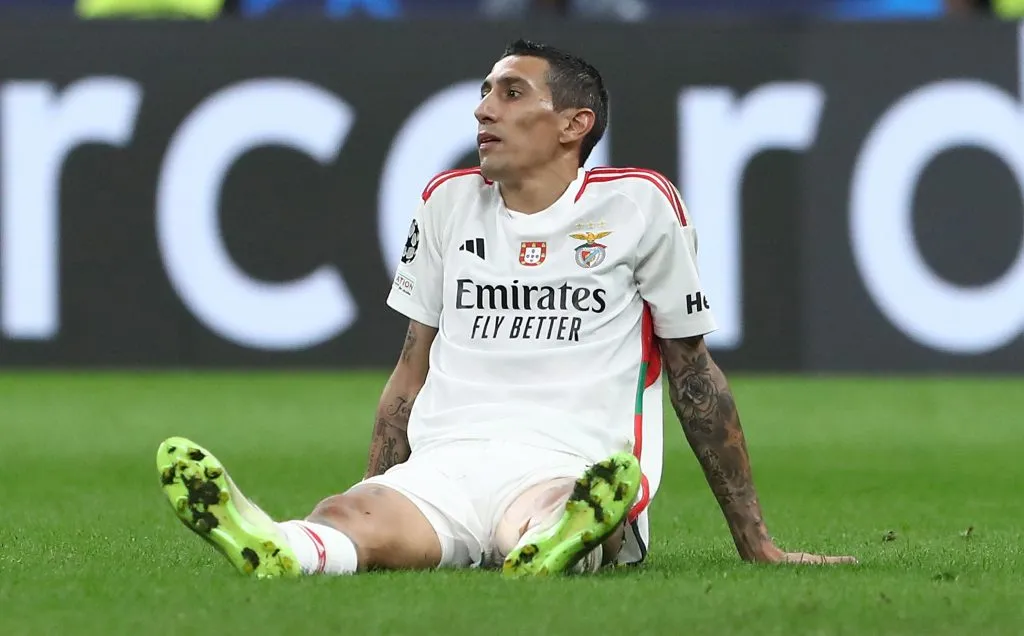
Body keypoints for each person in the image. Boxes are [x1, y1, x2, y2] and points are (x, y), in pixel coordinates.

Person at [156, 39, 857, 578]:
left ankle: (561, 536)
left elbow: (694, 376)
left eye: (510, 93)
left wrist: (755, 542)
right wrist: (374, 480)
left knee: (552, 512)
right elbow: (411, 368)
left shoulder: (640, 204)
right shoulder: (447, 202)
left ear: (573, 124)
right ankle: (278, 545)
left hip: (571, 461)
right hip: (448, 461)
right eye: (485, 92)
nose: (483, 109)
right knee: (349, 517)